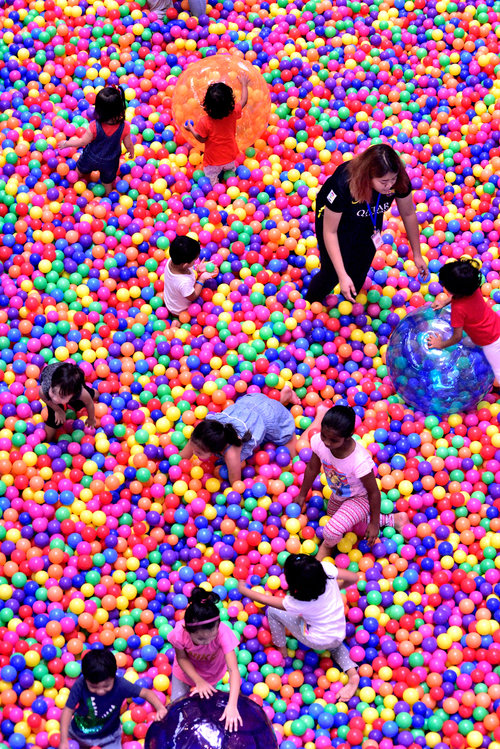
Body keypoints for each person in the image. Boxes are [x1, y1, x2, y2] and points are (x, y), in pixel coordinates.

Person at [305, 143, 429, 305]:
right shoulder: (344, 184)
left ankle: (350, 300)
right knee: (331, 273)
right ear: (368, 176)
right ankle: (310, 304)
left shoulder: (398, 179)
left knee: (361, 263)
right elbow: (330, 232)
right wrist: (342, 275)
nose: (390, 185)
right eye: (384, 181)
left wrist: (417, 254)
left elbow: (408, 213)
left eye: (393, 179)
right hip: (336, 220)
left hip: (369, 215)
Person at [238, 554, 361, 702]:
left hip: (315, 638)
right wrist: (337, 587)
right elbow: (354, 578)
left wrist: (242, 588)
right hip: (338, 631)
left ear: (295, 586)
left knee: (273, 612)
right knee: (333, 643)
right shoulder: (327, 569)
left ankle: (282, 650)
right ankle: (353, 674)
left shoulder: (296, 603)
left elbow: (264, 600)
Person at [296, 405, 409, 560]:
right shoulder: (319, 442)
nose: (327, 443)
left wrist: (375, 524)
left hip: (360, 499)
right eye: (324, 435)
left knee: (331, 531)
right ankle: (394, 519)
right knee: (333, 516)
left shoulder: (358, 460)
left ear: (349, 435)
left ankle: (328, 546)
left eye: (334, 440)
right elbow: (312, 468)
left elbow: (374, 492)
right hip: (339, 494)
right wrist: (302, 494)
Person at [180, 387, 324, 485]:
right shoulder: (204, 430)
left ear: (217, 449)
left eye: (199, 451)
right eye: (194, 445)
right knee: (264, 412)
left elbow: (236, 483)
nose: (195, 450)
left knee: (296, 452)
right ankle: (284, 397)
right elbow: (183, 455)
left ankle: (321, 415)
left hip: (271, 417)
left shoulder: (231, 451)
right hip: (252, 404)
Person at [167, 587, 242, 732]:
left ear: (218, 625)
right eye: (200, 639)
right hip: (184, 673)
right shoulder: (179, 634)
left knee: (206, 707)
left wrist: (232, 705)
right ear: (188, 631)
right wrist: (198, 681)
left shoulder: (223, 632)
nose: (207, 642)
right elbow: (182, 658)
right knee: (177, 707)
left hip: (211, 673)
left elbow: (233, 670)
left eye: (212, 636)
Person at [59, 649, 166, 749]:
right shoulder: (80, 684)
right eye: (94, 687)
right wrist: (63, 740)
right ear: (85, 678)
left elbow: (146, 693)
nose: (100, 691)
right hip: (78, 735)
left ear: (114, 676)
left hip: (109, 738)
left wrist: (160, 708)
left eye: (106, 686)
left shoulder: (120, 684)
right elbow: (68, 710)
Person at [428, 257, 500, 382]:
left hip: (490, 340)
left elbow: (457, 337)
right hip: (496, 323)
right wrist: (444, 302)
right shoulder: (473, 288)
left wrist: (440, 344)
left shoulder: (458, 308)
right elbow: (457, 295)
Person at [57, 86, 134, 196]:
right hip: (110, 161)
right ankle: (108, 197)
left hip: (91, 158)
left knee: (80, 170)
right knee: (107, 182)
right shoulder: (124, 127)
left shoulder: (94, 126)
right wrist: (131, 152)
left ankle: (72, 188)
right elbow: (128, 144)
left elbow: (82, 142)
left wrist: (67, 143)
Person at [184, 75, 249, 186]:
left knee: (211, 178)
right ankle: (230, 178)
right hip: (230, 155)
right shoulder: (233, 113)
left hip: (213, 160)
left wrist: (191, 129)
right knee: (230, 170)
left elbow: (201, 139)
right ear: (230, 102)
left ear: (207, 104)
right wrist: (244, 84)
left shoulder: (205, 122)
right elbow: (244, 100)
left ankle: (215, 187)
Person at [39, 362, 98, 442]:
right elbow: (43, 396)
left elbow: (89, 403)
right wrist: (58, 410)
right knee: (54, 421)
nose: (55, 399)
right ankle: (47, 442)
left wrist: (91, 418)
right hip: (54, 372)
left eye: (62, 396)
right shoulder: (46, 387)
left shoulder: (80, 393)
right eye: (53, 391)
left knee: (85, 399)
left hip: (71, 381)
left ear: (74, 394)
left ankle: (96, 392)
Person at [163, 235, 218, 318]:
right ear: (185, 265)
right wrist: (201, 279)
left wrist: (197, 269)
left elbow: (185, 270)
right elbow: (193, 296)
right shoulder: (184, 282)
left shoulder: (172, 260)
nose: (196, 261)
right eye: (194, 260)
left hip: (170, 302)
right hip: (180, 310)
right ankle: (178, 323)